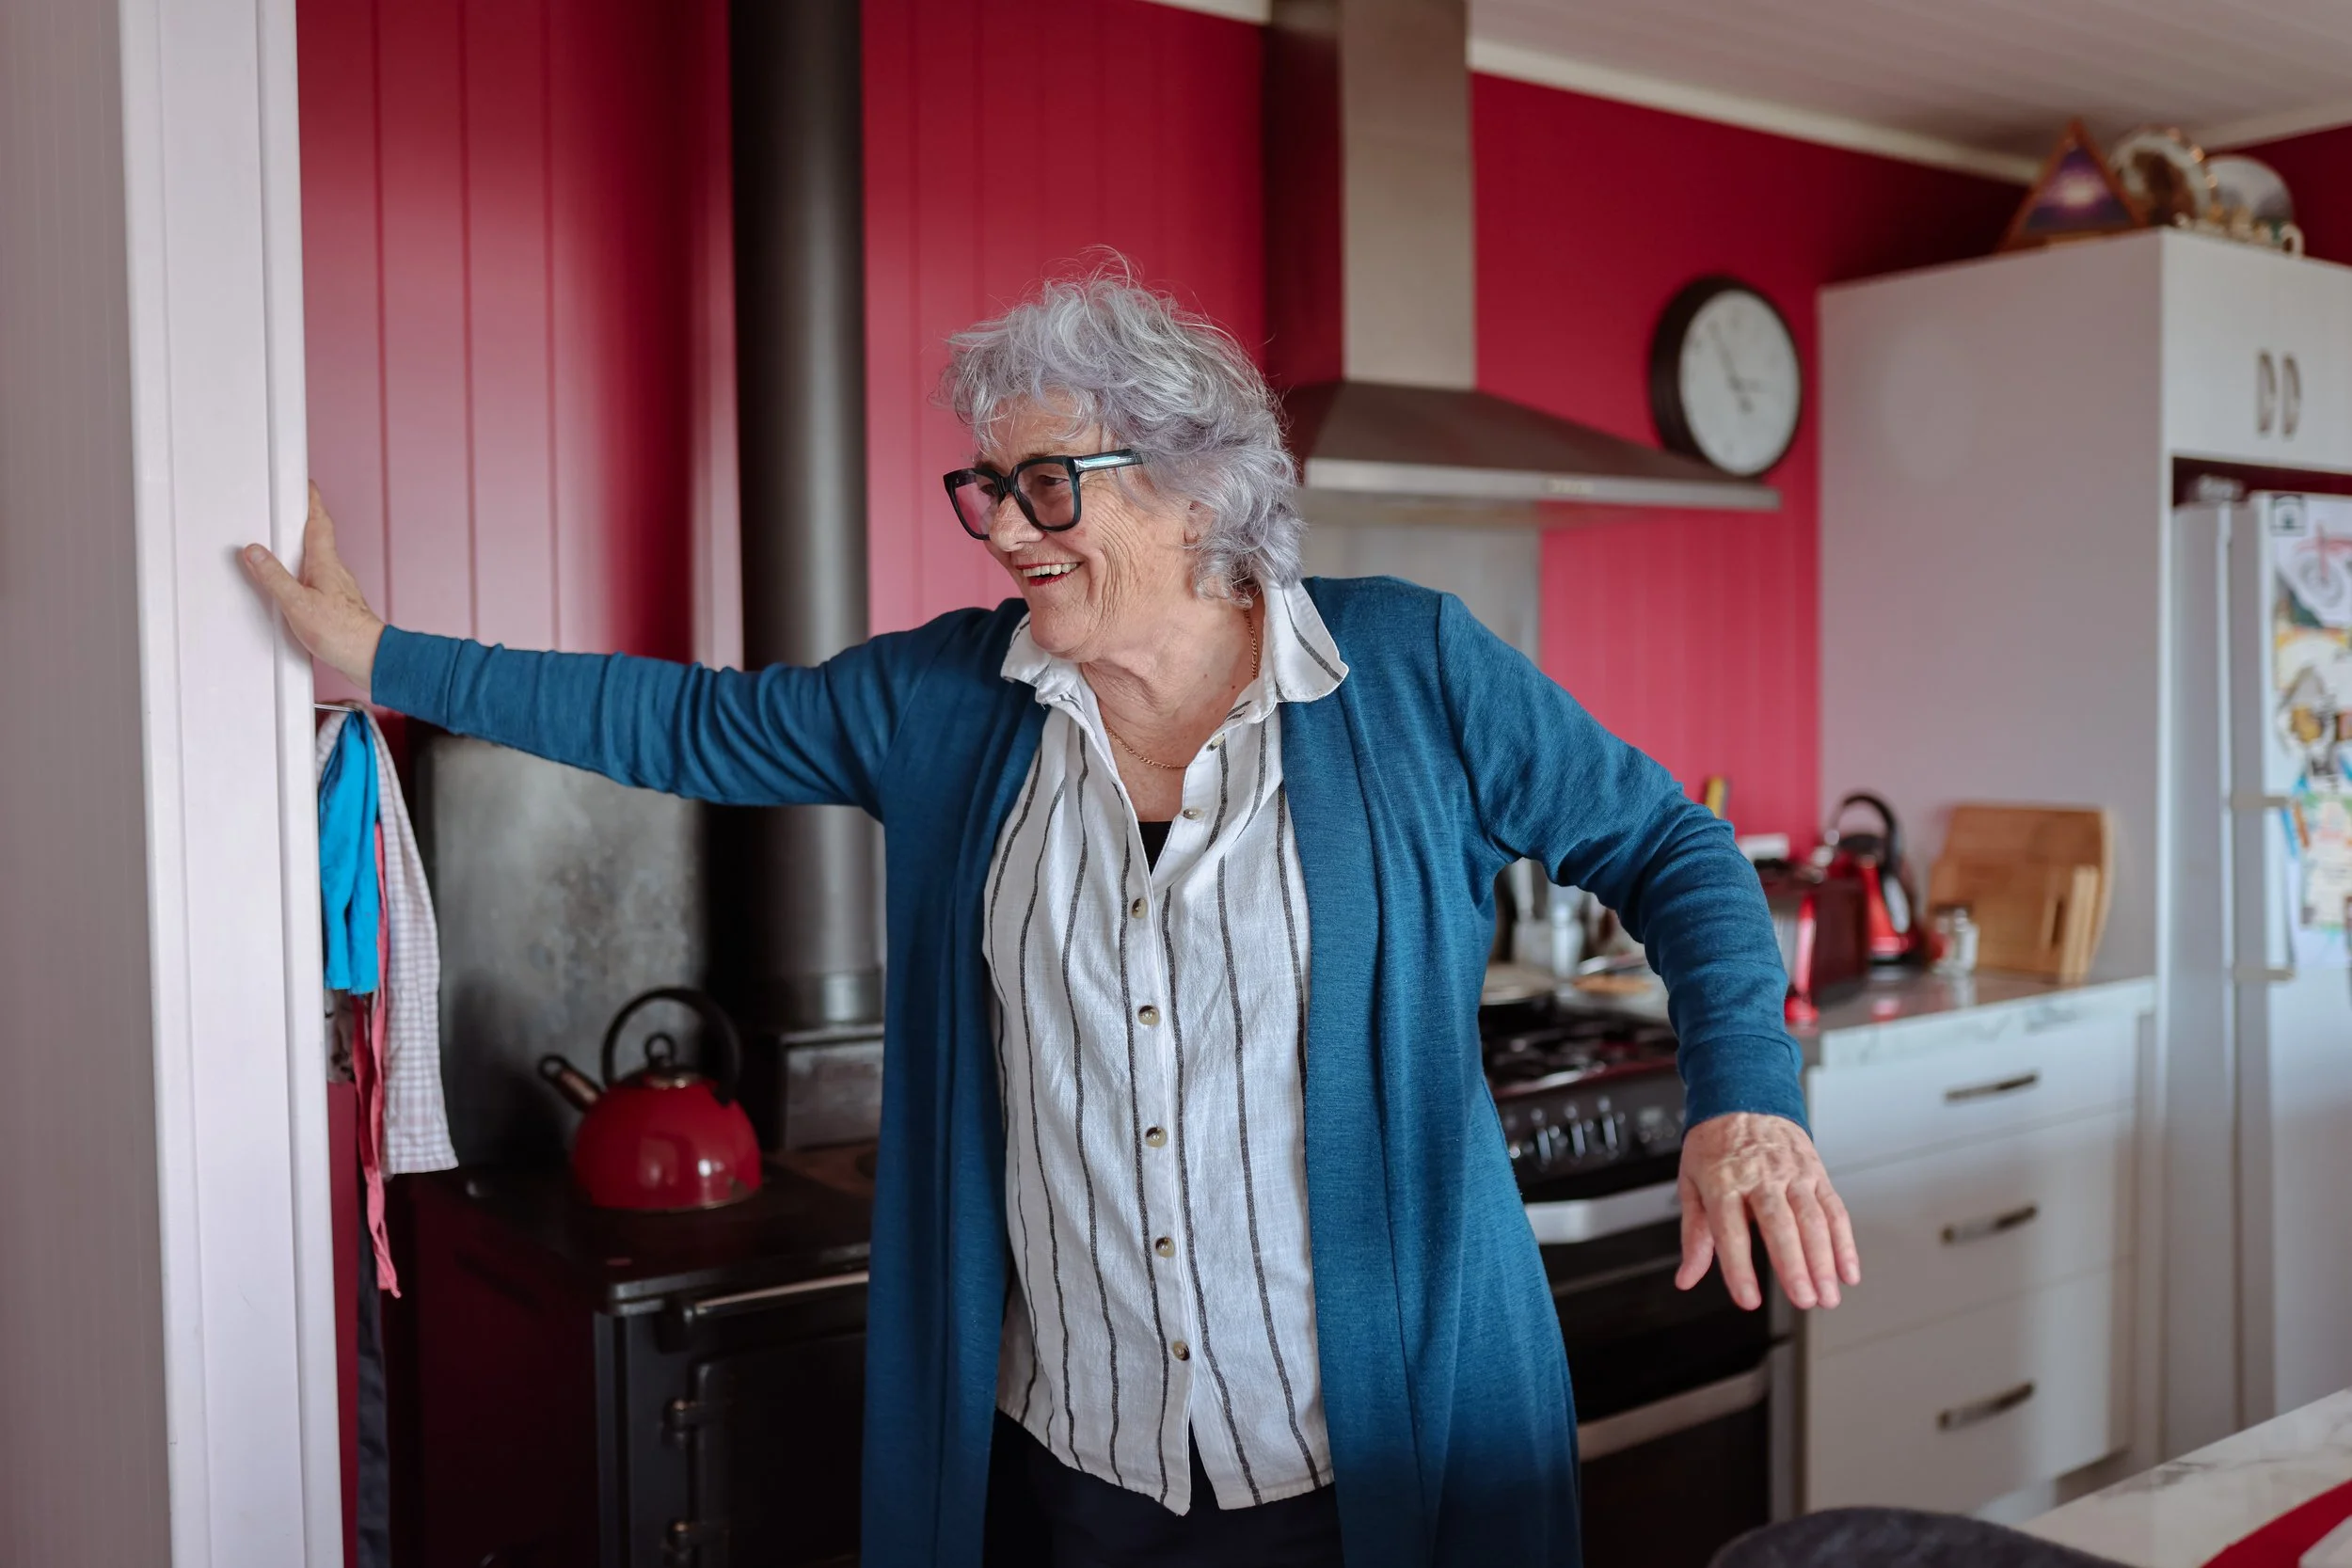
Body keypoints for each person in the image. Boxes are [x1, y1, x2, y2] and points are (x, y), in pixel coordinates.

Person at [244, 270, 1859, 1568]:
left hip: (1387, 1460)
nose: (1005, 528)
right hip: (1082, 1479)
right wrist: (383, 659)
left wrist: (1746, 1094)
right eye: (986, 488)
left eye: (1043, 484)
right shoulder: (953, 701)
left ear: (1190, 488)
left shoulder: (1410, 671)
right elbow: (686, 723)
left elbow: (1672, 844)